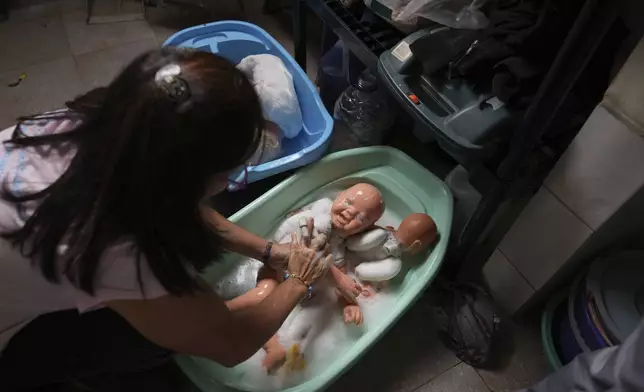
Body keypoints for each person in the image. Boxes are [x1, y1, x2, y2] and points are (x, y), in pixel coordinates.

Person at [0, 48, 333, 390]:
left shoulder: (101, 123)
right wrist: (298, 281)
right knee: (145, 339)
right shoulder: (117, 246)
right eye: (230, 172)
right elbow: (231, 343)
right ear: (191, 177)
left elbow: (178, 206)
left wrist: (269, 252)